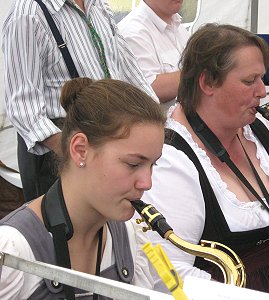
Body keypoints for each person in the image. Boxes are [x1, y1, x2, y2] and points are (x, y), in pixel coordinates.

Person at [141, 23, 269, 296]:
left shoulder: (263, 131)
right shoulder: (170, 161)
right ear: (207, 83)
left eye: (261, 78)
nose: (262, 91)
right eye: (250, 81)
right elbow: (167, 275)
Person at [0, 77, 166, 299]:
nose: (147, 183)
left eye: (152, 165)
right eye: (133, 164)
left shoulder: (130, 237)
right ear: (80, 150)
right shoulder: (12, 250)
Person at [3, 0, 158, 203]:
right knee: (68, 230)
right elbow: (23, 107)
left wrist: (157, 122)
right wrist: (79, 153)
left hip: (108, 135)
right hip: (60, 148)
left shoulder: (99, 5)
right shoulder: (28, 13)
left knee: (109, 227)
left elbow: (129, 72)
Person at [118, 0, 190, 109]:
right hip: (164, 124)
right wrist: (201, 73)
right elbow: (149, 90)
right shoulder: (132, 33)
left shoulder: (178, 26)